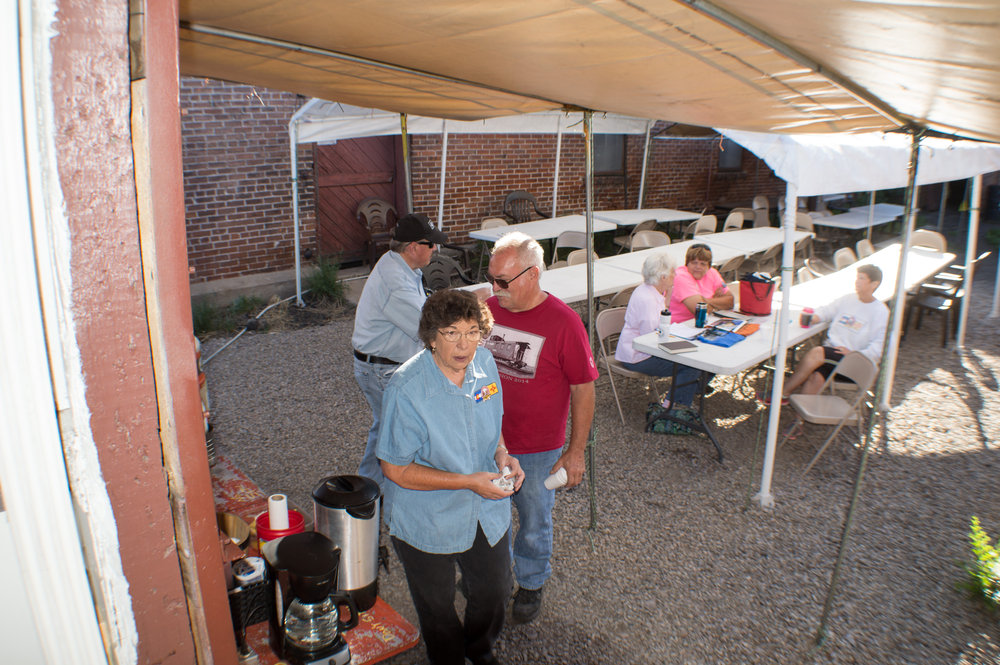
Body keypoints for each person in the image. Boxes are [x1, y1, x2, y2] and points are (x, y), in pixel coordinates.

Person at [377, 289, 525, 665]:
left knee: (495, 591)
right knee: (437, 608)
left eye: (473, 331)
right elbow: (394, 468)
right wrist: (468, 481)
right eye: (451, 333)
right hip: (429, 517)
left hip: (485, 509)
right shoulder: (406, 388)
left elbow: (494, 426)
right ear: (430, 337)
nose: (464, 344)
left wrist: (504, 454)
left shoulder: (486, 364)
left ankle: (479, 650)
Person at [483, 231, 598, 624]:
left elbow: (584, 389)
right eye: (491, 278)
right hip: (487, 441)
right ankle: (489, 578)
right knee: (484, 511)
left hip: (536, 450)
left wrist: (576, 450)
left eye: (503, 281)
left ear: (532, 275)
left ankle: (531, 583)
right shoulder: (488, 310)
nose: (494, 289)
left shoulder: (565, 323)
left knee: (533, 521)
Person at [352, 212, 447, 488]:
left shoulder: (401, 266)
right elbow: (429, 328)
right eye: (431, 244)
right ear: (413, 247)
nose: (435, 249)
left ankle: (366, 492)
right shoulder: (396, 281)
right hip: (382, 368)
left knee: (386, 429)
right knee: (399, 434)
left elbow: (423, 307)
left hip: (380, 364)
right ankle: (391, 496)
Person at [761, 264, 888, 404]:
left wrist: (854, 354)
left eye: (862, 278)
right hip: (833, 353)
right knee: (816, 378)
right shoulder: (848, 299)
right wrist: (815, 317)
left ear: (874, 284)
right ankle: (799, 422)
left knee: (817, 352)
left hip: (855, 360)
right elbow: (827, 311)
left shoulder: (880, 312)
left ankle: (782, 393)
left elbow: (879, 347)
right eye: (857, 278)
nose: (857, 281)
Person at [615, 253, 702, 409]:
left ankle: (684, 396)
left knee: (693, 357)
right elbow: (652, 338)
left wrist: (667, 301)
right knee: (692, 364)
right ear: (663, 277)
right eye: (672, 272)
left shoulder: (650, 291)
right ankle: (672, 406)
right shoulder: (647, 298)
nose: (675, 275)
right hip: (637, 356)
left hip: (641, 350)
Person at [668, 243, 734, 323]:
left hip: (706, 322)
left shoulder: (712, 272)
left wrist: (706, 301)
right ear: (687, 264)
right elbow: (700, 311)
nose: (698, 267)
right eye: (694, 263)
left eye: (703, 264)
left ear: (708, 266)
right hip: (680, 326)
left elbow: (730, 302)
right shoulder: (680, 276)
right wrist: (717, 303)